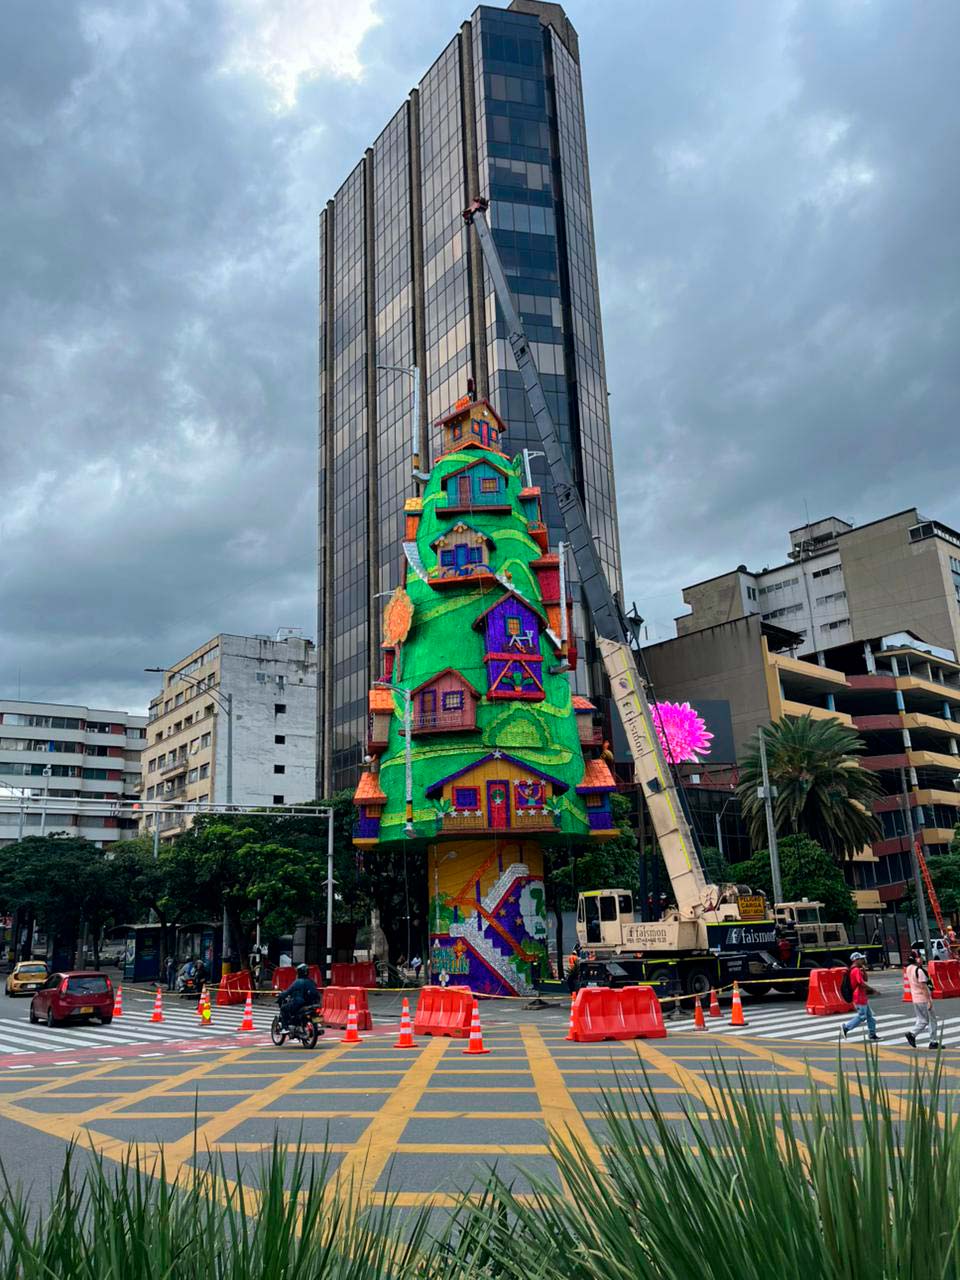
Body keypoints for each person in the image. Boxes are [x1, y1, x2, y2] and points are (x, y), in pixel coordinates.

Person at [905, 944, 939, 1050]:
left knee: (921, 1019)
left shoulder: (908, 968)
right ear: (917, 958)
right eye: (919, 957)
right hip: (923, 999)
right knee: (930, 1020)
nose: (921, 959)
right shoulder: (918, 970)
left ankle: (914, 1035)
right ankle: (928, 1040)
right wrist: (929, 1000)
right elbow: (924, 987)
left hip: (915, 999)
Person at [841, 951, 881, 1041]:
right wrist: (873, 990)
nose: (863, 960)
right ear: (856, 960)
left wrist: (864, 969)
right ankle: (846, 1027)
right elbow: (861, 983)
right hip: (859, 996)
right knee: (862, 1016)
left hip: (862, 996)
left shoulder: (858, 969)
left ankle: (872, 1035)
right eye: (861, 959)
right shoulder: (855, 970)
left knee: (870, 1017)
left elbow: (865, 979)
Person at [279, 963, 320, 1029]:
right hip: (312, 1003)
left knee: (284, 1008)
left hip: (300, 1003)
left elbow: (289, 991)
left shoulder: (298, 982)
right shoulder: (311, 981)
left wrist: (281, 995)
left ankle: (284, 1028)